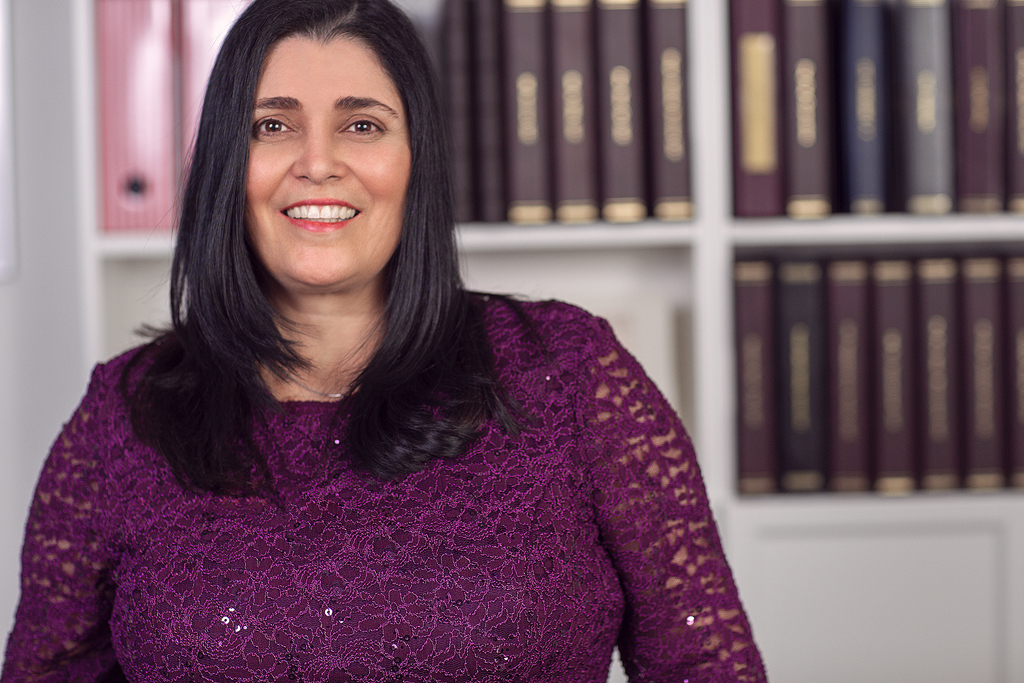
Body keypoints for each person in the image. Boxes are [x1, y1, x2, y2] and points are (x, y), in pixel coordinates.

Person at [1, 0, 767, 680]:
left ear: (415, 160)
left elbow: (704, 665)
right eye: (273, 125)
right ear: (228, 166)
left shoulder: (571, 373)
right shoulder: (120, 416)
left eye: (361, 124)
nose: (318, 163)